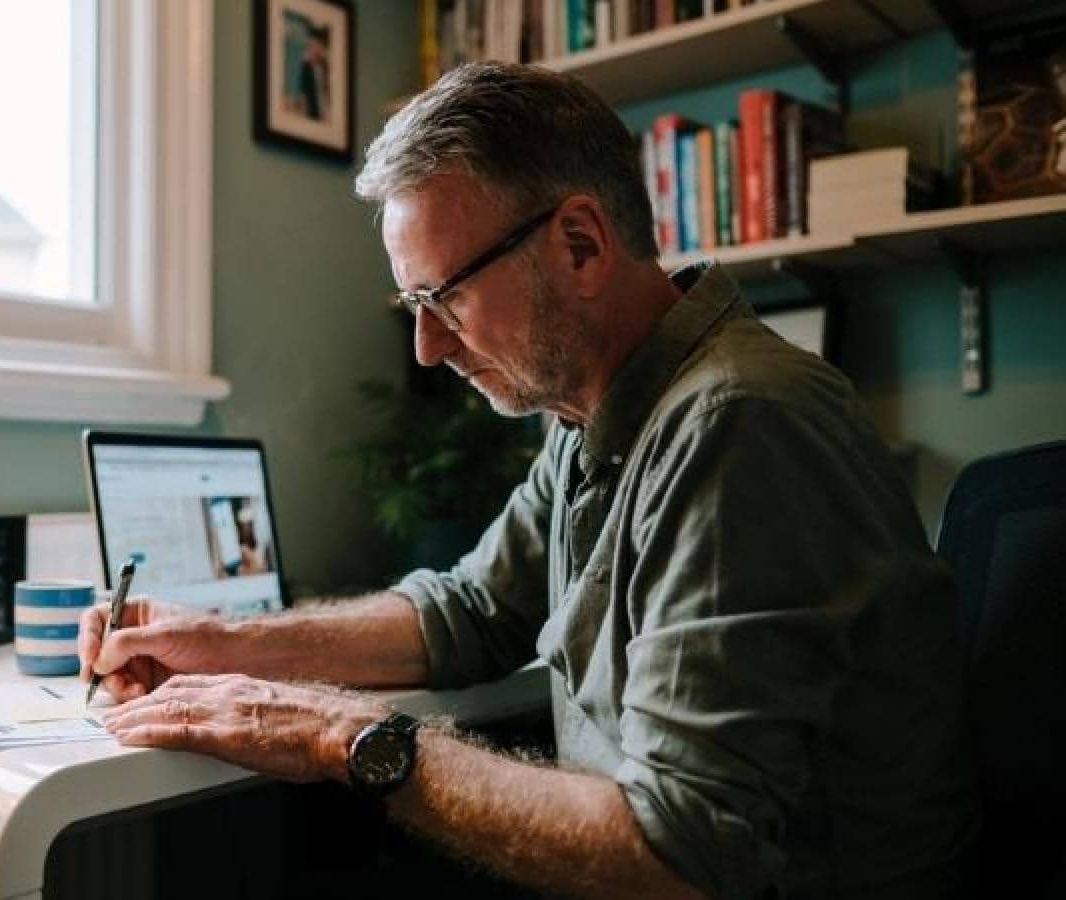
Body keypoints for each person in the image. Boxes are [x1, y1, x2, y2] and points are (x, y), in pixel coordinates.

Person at [79, 63, 976, 899]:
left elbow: (686, 850)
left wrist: (332, 732)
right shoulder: (599, 410)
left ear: (581, 244)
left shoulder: (739, 424)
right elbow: (466, 613)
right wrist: (224, 642)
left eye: (446, 298)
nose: (428, 349)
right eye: (415, 308)